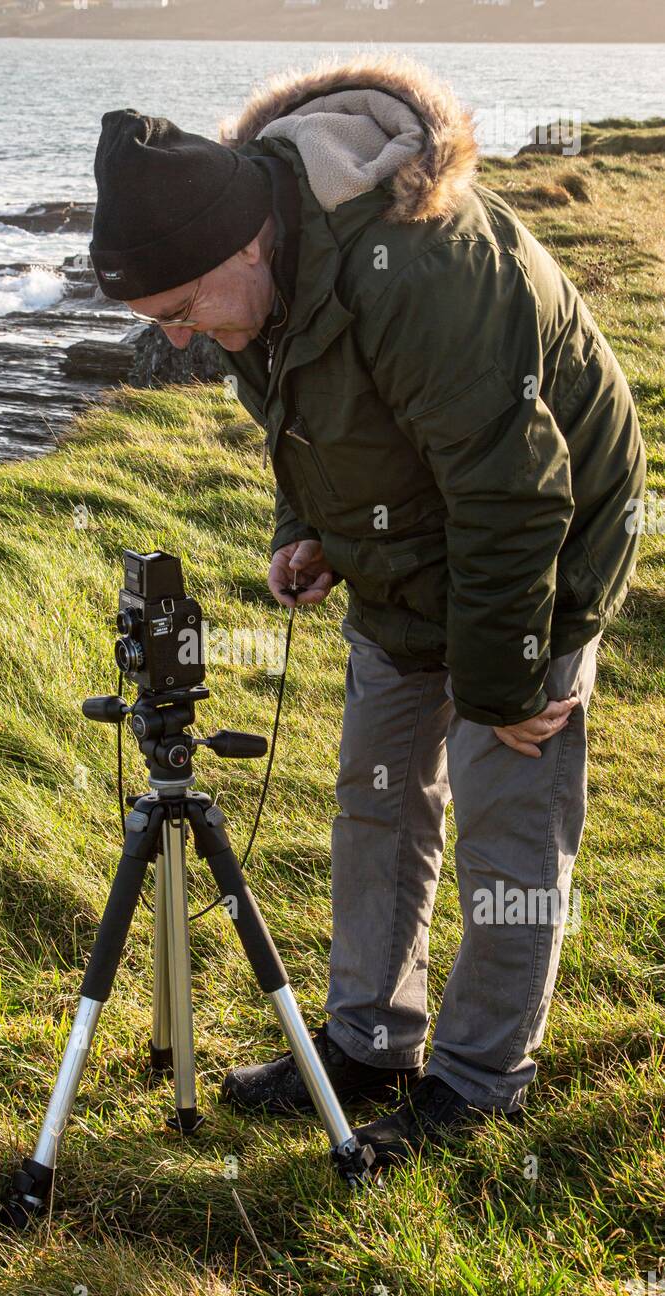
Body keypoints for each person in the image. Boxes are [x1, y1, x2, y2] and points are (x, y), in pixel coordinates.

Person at [88, 53, 646, 1166]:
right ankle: (366, 1044)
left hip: (542, 532)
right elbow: (306, 416)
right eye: (162, 321)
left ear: (244, 244)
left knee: (507, 816)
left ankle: (480, 1090)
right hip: (411, 544)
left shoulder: (416, 266)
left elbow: (510, 488)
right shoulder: (255, 276)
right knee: (376, 794)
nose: (183, 339)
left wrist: (501, 685)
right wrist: (307, 530)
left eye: (185, 309)